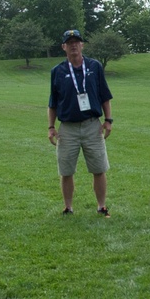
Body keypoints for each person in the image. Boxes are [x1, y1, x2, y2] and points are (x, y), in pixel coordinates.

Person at [47, 29, 114, 217]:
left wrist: (108, 120)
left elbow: (105, 96)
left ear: (82, 45)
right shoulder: (57, 71)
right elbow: (53, 103)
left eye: (77, 41)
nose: (73, 45)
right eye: (69, 43)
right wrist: (51, 127)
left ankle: (101, 206)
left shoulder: (95, 67)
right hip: (67, 128)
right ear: (63, 47)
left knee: (99, 168)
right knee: (66, 170)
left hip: (93, 125)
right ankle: (68, 207)